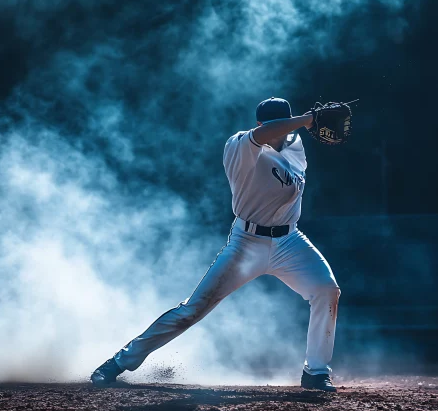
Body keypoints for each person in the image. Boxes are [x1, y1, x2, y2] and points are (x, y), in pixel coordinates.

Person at [91, 97, 341, 392]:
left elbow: (284, 134)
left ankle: (315, 371)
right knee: (192, 310)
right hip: (247, 243)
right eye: (277, 124)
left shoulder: (295, 145)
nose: (283, 131)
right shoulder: (239, 146)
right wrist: (308, 118)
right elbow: (264, 135)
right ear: (260, 124)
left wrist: (300, 124)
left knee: (327, 290)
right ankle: (119, 362)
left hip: (289, 241)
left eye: (285, 124)